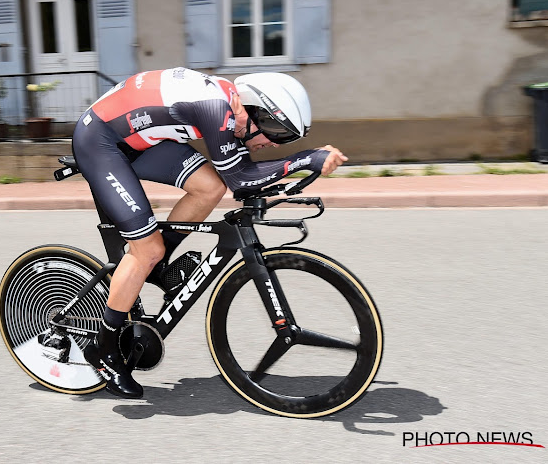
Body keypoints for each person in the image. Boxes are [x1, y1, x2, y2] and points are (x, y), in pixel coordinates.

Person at [60, 68, 347, 398]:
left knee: (210, 187)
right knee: (146, 248)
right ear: (250, 108)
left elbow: (238, 179)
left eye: (284, 137)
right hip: (101, 142)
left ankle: (154, 265)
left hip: (141, 140)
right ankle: (104, 346)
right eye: (275, 130)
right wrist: (306, 158)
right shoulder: (216, 109)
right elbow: (242, 179)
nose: (272, 141)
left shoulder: (228, 106)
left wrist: (291, 171)